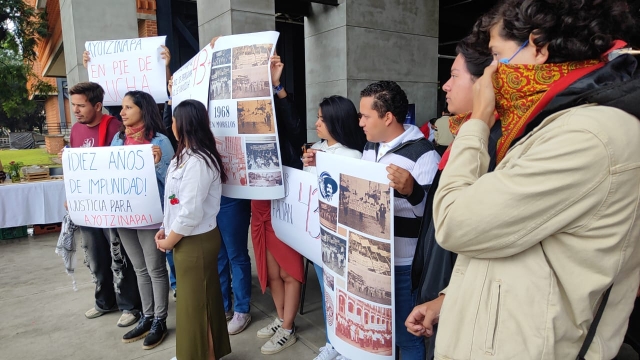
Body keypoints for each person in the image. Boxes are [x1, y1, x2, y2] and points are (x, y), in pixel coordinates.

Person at [424, 1, 640, 359]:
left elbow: (453, 222)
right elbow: (493, 242)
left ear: (537, 46)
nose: (492, 71)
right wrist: (451, 298)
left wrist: (478, 120)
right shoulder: (553, 120)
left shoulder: (587, 135)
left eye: (496, 54)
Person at [405, 24, 493, 360]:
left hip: (455, 291)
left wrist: (447, 296)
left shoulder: (491, 143)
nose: (445, 85)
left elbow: (459, 225)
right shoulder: (461, 137)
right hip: (439, 283)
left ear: (484, 83)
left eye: (455, 75)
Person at [358, 80, 441, 360]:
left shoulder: (424, 153)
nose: (360, 123)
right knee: (378, 330)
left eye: (366, 116)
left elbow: (431, 219)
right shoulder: (370, 147)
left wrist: (412, 190)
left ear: (388, 117)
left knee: (408, 337)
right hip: (370, 259)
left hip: (402, 265)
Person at [155, 99, 231, 360]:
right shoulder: (182, 157)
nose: (171, 125)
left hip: (195, 241)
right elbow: (173, 200)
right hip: (184, 238)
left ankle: (199, 354)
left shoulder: (198, 161)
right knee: (199, 303)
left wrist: (168, 241)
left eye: (173, 121)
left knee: (195, 306)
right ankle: (204, 352)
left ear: (183, 124)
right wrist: (165, 229)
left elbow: (190, 212)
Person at [65, 82, 142, 327]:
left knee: (119, 257)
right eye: (73, 105)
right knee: (96, 256)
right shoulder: (76, 130)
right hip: (87, 206)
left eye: (81, 105)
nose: (75, 110)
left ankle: (130, 305)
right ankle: (104, 301)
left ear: (98, 106)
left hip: (112, 207)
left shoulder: (115, 128)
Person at [301, 95, 367, 360]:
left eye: (322, 118)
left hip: (340, 240)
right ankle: (332, 343)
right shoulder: (317, 149)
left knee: (342, 296)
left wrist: (320, 163)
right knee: (327, 294)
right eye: (317, 117)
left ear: (337, 122)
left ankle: (344, 347)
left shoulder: (353, 155)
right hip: (316, 235)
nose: (317, 123)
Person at [251, 53, 306, 355]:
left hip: (283, 195)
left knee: (288, 270)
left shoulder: (279, 102)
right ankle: (282, 317)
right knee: (271, 271)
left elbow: (297, 131)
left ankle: (288, 328)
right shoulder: (240, 114)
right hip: (257, 200)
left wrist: (276, 86)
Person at [110, 90, 174, 349]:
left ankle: (160, 319)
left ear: (143, 110)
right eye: (122, 108)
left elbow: (172, 184)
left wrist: (158, 163)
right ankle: (147, 316)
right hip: (124, 214)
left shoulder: (161, 141)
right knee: (139, 269)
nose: (122, 112)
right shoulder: (117, 140)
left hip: (150, 216)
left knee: (156, 269)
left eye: (128, 107)